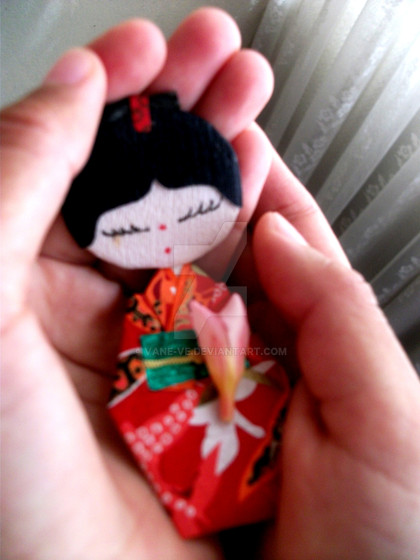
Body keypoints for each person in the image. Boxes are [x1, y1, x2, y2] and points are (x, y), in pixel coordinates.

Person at [1, 8, 419, 559]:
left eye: (195, 210)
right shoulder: (159, 311)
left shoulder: (202, 298)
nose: (159, 232)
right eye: (128, 230)